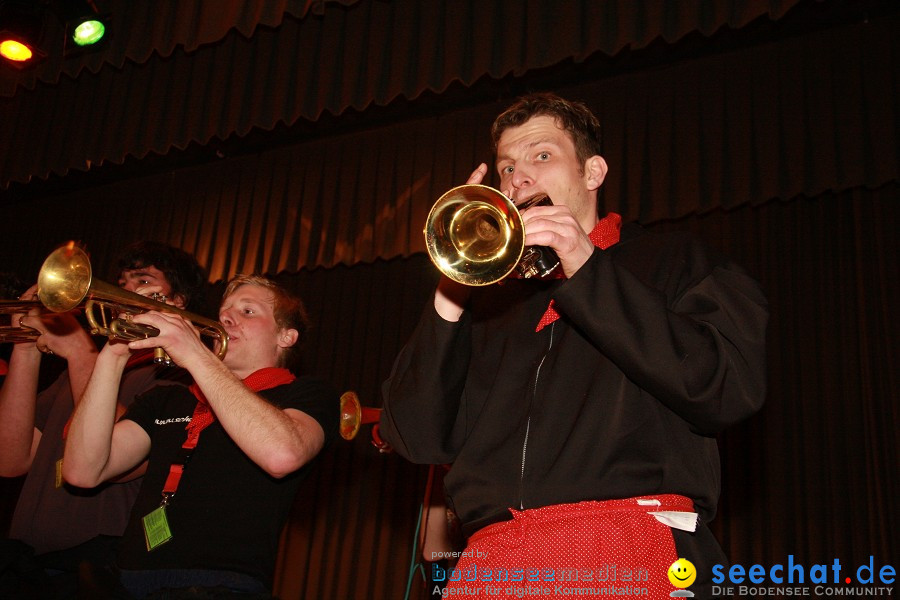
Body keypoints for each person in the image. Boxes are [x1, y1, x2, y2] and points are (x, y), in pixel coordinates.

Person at [380, 92, 767, 599]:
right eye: (507, 167)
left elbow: (725, 388)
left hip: (628, 546)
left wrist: (585, 268)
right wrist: (451, 294)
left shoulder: (679, 261)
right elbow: (414, 437)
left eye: (541, 156)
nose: (519, 178)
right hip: (490, 566)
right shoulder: (490, 303)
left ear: (593, 172)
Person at [62, 274, 338, 598]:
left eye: (247, 311)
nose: (226, 318)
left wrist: (194, 354)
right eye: (224, 311)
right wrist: (114, 355)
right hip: (127, 582)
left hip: (223, 586)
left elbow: (282, 454)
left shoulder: (307, 394)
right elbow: (82, 471)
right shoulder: (167, 398)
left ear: (286, 336)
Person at [0, 241, 208, 598]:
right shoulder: (81, 372)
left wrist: (81, 352)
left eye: (142, 281)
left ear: (177, 302)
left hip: (99, 564)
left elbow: (116, 453)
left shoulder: (179, 379)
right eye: (122, 282)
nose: (125, 291)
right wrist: (25, 347)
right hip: (28, 559)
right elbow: (11, 460)